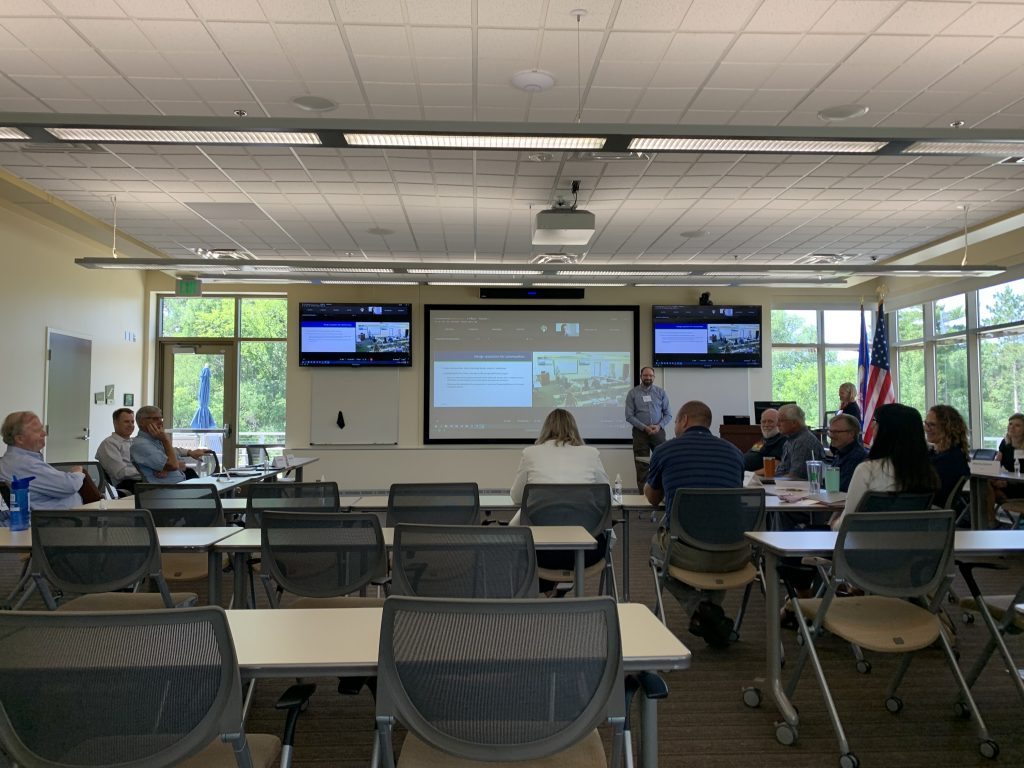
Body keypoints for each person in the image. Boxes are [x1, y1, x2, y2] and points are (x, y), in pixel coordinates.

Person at [644, 401, 746, 644]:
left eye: (676, 421)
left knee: (654, 552)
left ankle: (700, 609)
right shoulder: (734, 452)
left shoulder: (665, 451)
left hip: (686, 550)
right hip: (734, 552)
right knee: (717, 531)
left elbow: (652, 498)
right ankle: (712, 614)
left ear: (685, 420)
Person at [509, 408, 610, 591]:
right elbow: (607, 497)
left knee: (513, 535)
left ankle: (538, 589)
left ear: (545, 429)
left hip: (539, 551)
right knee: (609, 534)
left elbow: (516, 497)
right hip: (587, 551)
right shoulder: (591, 453)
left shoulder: (530, 453)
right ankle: (558, 587)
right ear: (574, 428)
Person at [831, 403, 939, 530]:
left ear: (885, 431)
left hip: (864, 545)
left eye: (875, 421)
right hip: (911, 545)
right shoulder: (927, 472)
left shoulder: (867, 470)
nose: (872, 425)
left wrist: (832, 523)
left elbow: (846, 523)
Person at [0, 411, 102, 508]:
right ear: (19, 439)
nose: (44, 433)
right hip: (58, 521)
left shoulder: (13, 460)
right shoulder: (24, 464)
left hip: (65, 518)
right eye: (37, 430)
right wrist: (77, 473)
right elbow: (69, 485)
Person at [130, 405, 212, 484]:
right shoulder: (140, 444)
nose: (160, 422)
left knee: (214, 487)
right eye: (155, 419)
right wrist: (165, 440)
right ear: (142, 422)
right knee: (211, 492)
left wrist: (168, 468)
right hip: (163, 491)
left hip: (179, 485)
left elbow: (179, 462)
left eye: (161, 418)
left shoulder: (155, 439)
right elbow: (173, 465)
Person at [624, 366, 671, 492]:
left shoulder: (661, 393)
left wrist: (659, 426)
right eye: (645, 375)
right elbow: (629, 416)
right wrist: (644, 427)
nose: (648, 378)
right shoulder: (632, 393)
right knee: (641, 465)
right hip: (640, 433)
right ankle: (643, 495)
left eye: (650, 376)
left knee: (662, 461)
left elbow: (668, 414)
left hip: (658, 432)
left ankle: (662, 492)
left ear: (654, 377)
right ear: (641, 376)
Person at [924, 405, 970, 510]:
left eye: (932, 425)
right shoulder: (940, 454)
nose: (926, 429)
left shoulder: (950, 458)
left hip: (929, 509)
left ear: (947, 429)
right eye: (926, 423)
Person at [94, 407, 142, 494]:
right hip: (127, 485)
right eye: (126, 422)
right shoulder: (109, 444)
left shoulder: (134, 442)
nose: (131, 425)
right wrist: (147, 471)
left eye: (132, 422)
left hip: (142, 480)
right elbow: (120, 473)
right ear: (115, 423)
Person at [774, 404, 824, 479]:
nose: (777, 424)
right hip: (784, 486)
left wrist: (770, 481)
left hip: (798, 488)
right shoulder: (789, 440)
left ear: (794, 423)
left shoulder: (803, 442)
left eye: (781, 421)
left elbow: (795, 477)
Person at [826, 412, 867, 492]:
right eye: (830, 431)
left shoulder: (857, 457)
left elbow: (842, 489)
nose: (831, 435)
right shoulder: (840, 453)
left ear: (851, 434)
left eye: (836, 432)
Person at [742, 408, 786, 472]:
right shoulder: (763, 440)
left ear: (778, 423)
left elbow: (773, 468)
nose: (766, 425)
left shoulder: (781, 440)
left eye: (770, 421)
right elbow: (752, 454)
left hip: (753, 477)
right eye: (763, 421)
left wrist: (750, 475)